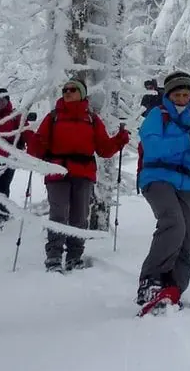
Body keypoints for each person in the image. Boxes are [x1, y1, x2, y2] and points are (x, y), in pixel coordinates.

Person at [134, 71, 190, 313]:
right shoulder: (158, 116)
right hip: (157, 177)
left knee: (188, 237)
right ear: (169, 94)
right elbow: (153, 147)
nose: (182, 98)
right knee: (173, 223)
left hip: (189, 183)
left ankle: (172, 287)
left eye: (186, 94)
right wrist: (189, 140)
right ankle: (150, 282)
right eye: (178, 94)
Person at [26, 79, 130, 272]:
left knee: (79, 217)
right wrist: (31, 140)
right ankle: (54, 257)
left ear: (82, 94)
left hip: (83, 173)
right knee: (58, 214)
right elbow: (39, 148)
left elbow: (104, 149)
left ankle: (75, 256)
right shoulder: (53, 117)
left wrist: (119, 140)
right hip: (57, 171)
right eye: (65, 89)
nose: (67, 92)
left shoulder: (91, 119)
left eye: (73, 90)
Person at [0, 88, 35, 225]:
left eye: (2, 100)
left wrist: (34, 147)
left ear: (8, 100)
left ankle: (3, 216)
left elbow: (27, 133)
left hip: (8, 159)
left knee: (3, 188)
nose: (0, 102)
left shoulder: (16, 116)